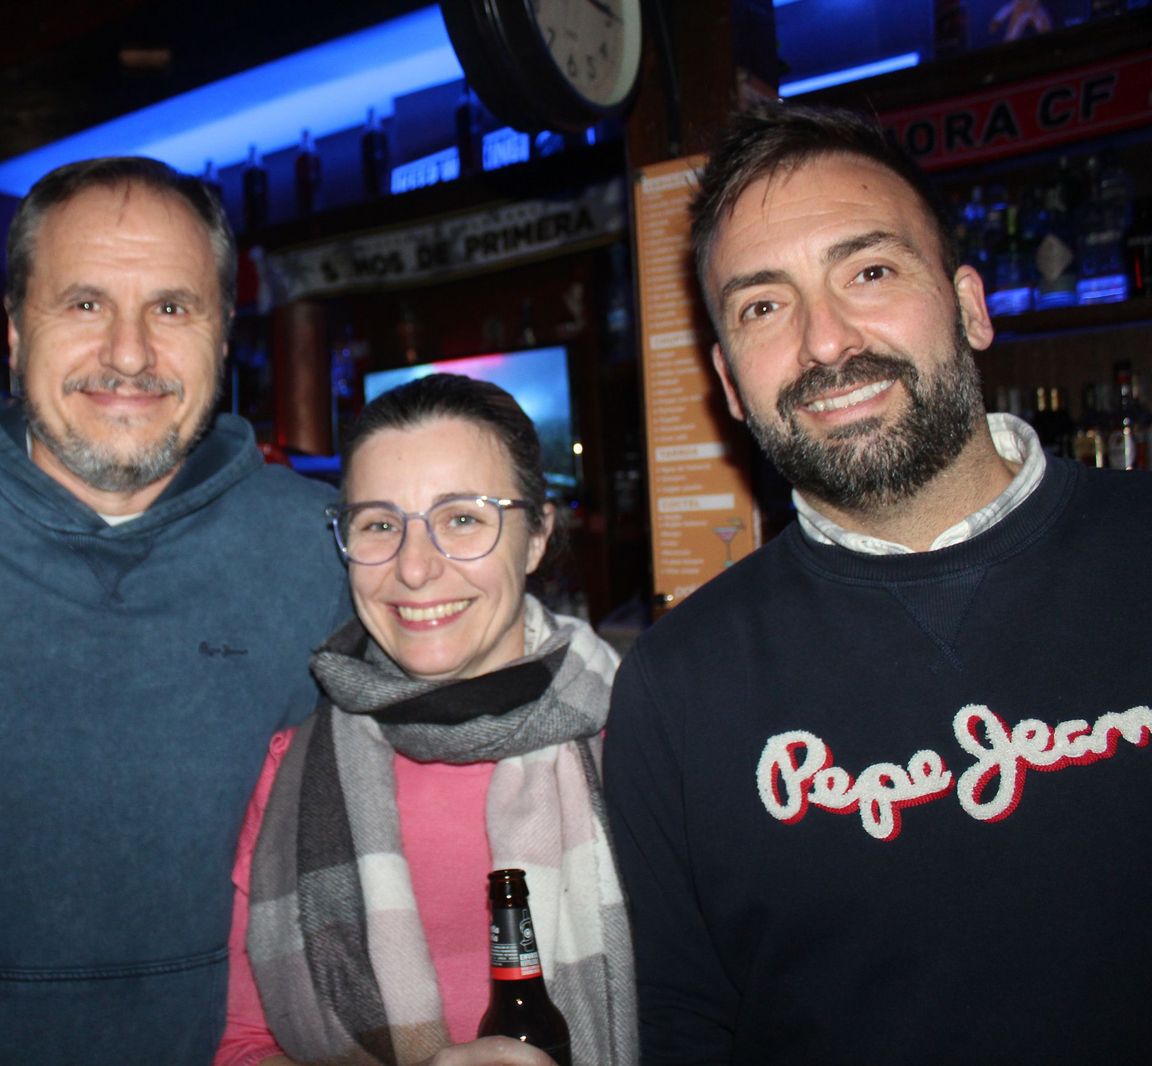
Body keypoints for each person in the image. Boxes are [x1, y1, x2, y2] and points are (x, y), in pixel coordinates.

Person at [603, 101, 1152, 1063]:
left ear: (971, 306)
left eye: (870, 271)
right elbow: (682, 1026)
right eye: (763, 306)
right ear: (730, 387)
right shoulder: (674, 686)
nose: (825, 341)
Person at [0, 157, 349, 1064]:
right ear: (19, 332)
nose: (131, 354)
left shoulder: (324, 542)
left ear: (223, 337)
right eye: (86, 304)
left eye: (173, 309)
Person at [219, 374, 639, 1066]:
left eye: (463, 519)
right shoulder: (292, 773)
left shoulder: (633, 744)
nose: (415, 569)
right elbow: (242, 1048)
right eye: (380, 525)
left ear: (536, 536)